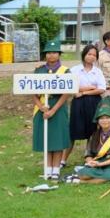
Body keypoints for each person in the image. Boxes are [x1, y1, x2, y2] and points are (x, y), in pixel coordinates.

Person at [32, 40, 72, 180]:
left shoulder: (65, 71)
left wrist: (54, 109)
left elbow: (66, 93)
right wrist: (41, 107)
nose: (51, 55)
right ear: (45, 55)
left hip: (58, 107)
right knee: (47, 139)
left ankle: (56, 169)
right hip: (42, 106)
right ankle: (48, 168)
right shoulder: (39, 70)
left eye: (54, 52)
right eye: (49, 52)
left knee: (58, 138)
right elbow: (33, 92)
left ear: (59, 54)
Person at [68, 105, 110, 184]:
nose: (104, 121)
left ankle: (78, 181)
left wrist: (100, 164)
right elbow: (88, 154)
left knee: (108, 176)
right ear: (98, 121)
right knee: (83, 174)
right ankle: (82, 177)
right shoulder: (95, 135)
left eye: (107, 118)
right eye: (101, 118)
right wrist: (91, 162)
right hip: (96, 165)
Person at [65, 44, 106, 166]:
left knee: (92, 130)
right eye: (89, 54)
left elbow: (101, 89)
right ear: (84, 55)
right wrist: (89, 87)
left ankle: (88, 157)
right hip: (78, 103)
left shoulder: (97, 71)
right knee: (73, 131)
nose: (92, 57)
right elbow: (69, 86)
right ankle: (63, 159)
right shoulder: (74, 70)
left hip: (94, 102)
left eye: (94, 55)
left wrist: (83, 92)